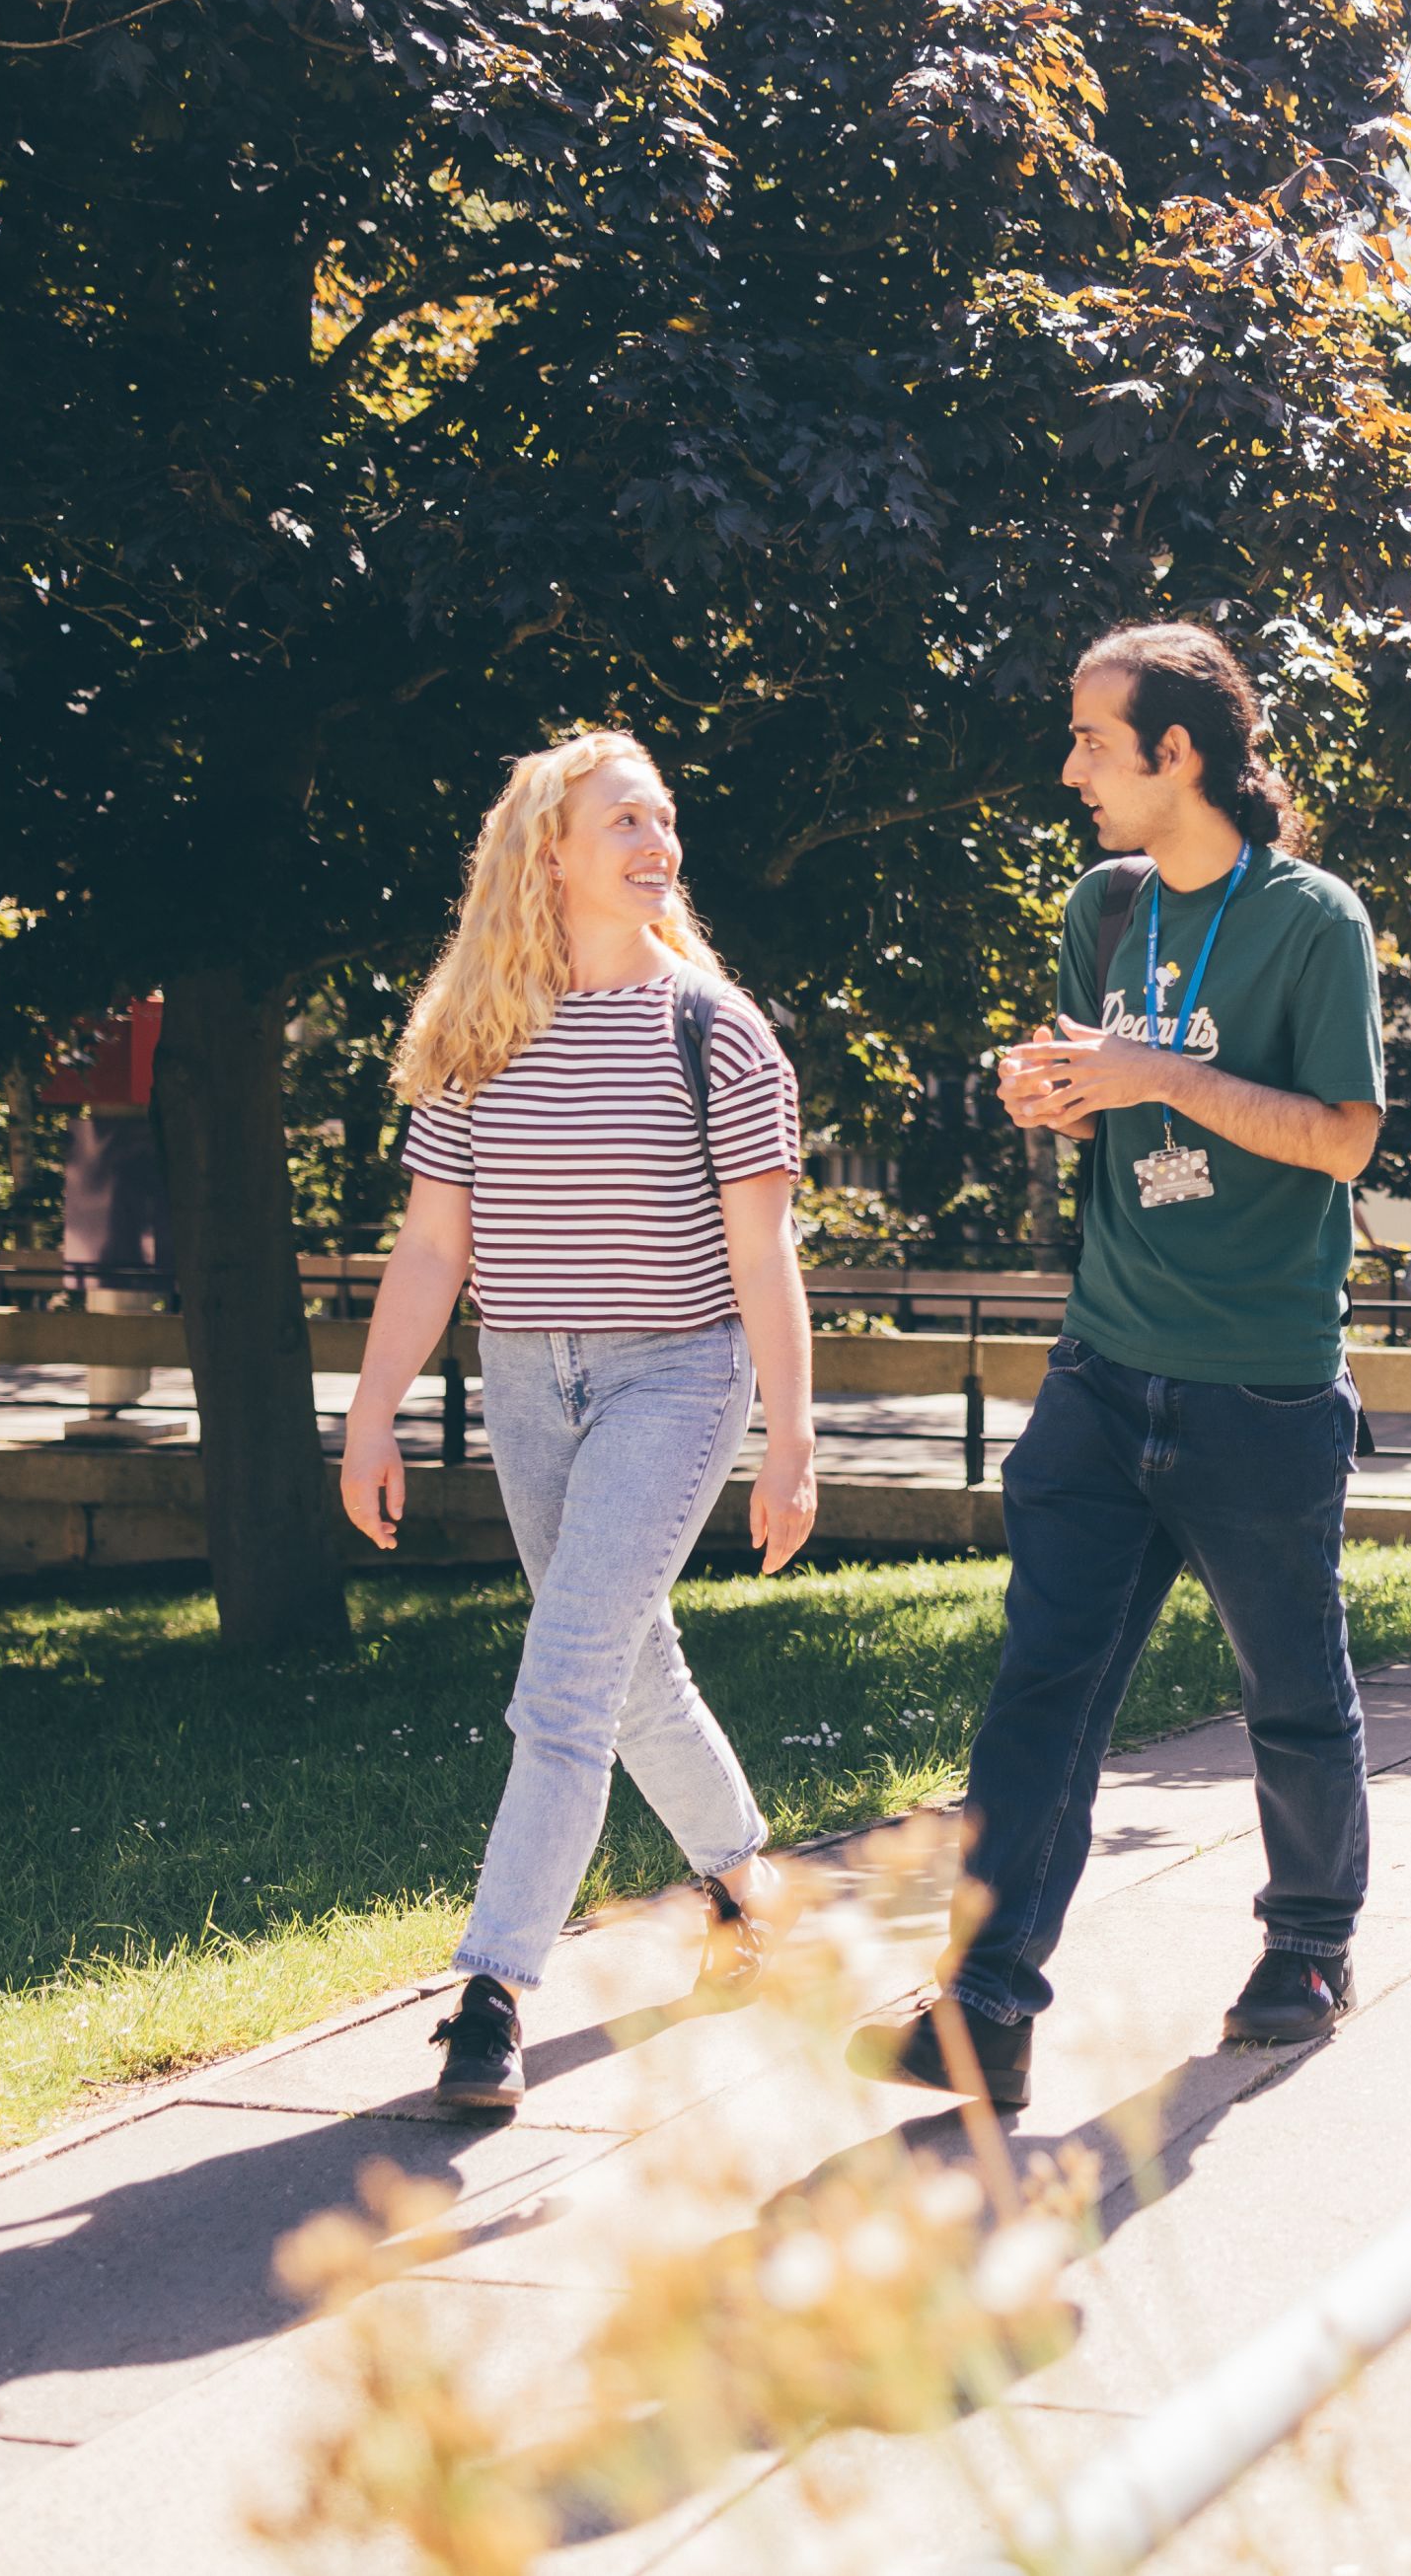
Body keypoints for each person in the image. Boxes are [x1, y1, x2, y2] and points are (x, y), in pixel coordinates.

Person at [850, 622, 1385, 2111]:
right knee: (1043, 1689)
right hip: (1103, 1366)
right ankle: (988, 2004)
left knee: (1292, 1693)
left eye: (1092, 740)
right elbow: (1112, 1097)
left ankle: (1310, 1945)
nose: (1069, 766)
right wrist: (1067, 1094)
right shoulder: (1108, 905)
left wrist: (1159, 1075)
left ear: (1179, 753)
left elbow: (1343, 1137)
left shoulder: (1313, 920)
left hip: (1260, 1384)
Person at [339, 730, 822, 2114]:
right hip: (525, 1381)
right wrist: (374, 1414)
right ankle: (747, 1886)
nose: (655, 842)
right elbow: (433, 1249)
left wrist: (790, 1443)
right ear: (547, 849)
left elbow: (762, 1254)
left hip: (674, 1378)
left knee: (564, 1680)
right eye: (624, 820)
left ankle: (493, 1991)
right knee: (628, 1669)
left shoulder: (713, 1030)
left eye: (663, 820)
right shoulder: (477, 1028)